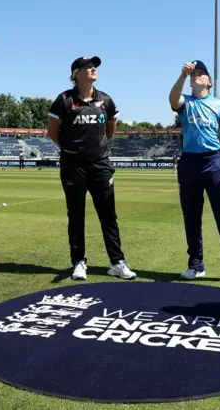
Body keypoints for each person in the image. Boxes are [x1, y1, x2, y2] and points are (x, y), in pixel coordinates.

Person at [47, 56, 136, 281]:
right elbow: (52, 133)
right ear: (76, 73)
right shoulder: (64, 100)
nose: (93, 69)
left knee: (108, 215)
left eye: (94, 66)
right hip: (73, 166)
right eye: (87, 67)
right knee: (76, 215)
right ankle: (78, 262)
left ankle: (117, 262)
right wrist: (71, 150)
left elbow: (110, 130)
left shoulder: (105, 100)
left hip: (101, 165)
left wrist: (97, 151)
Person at [168, 60, 220, 286]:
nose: (196, 76)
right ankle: (195, 264)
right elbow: (173, 99)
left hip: (214, 162)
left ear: (209, 82)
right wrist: (182, 75)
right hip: (189, 162)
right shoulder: (186, 102)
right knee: (191, 216)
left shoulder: (219, 103)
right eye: (194, 73)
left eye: (200, 73)